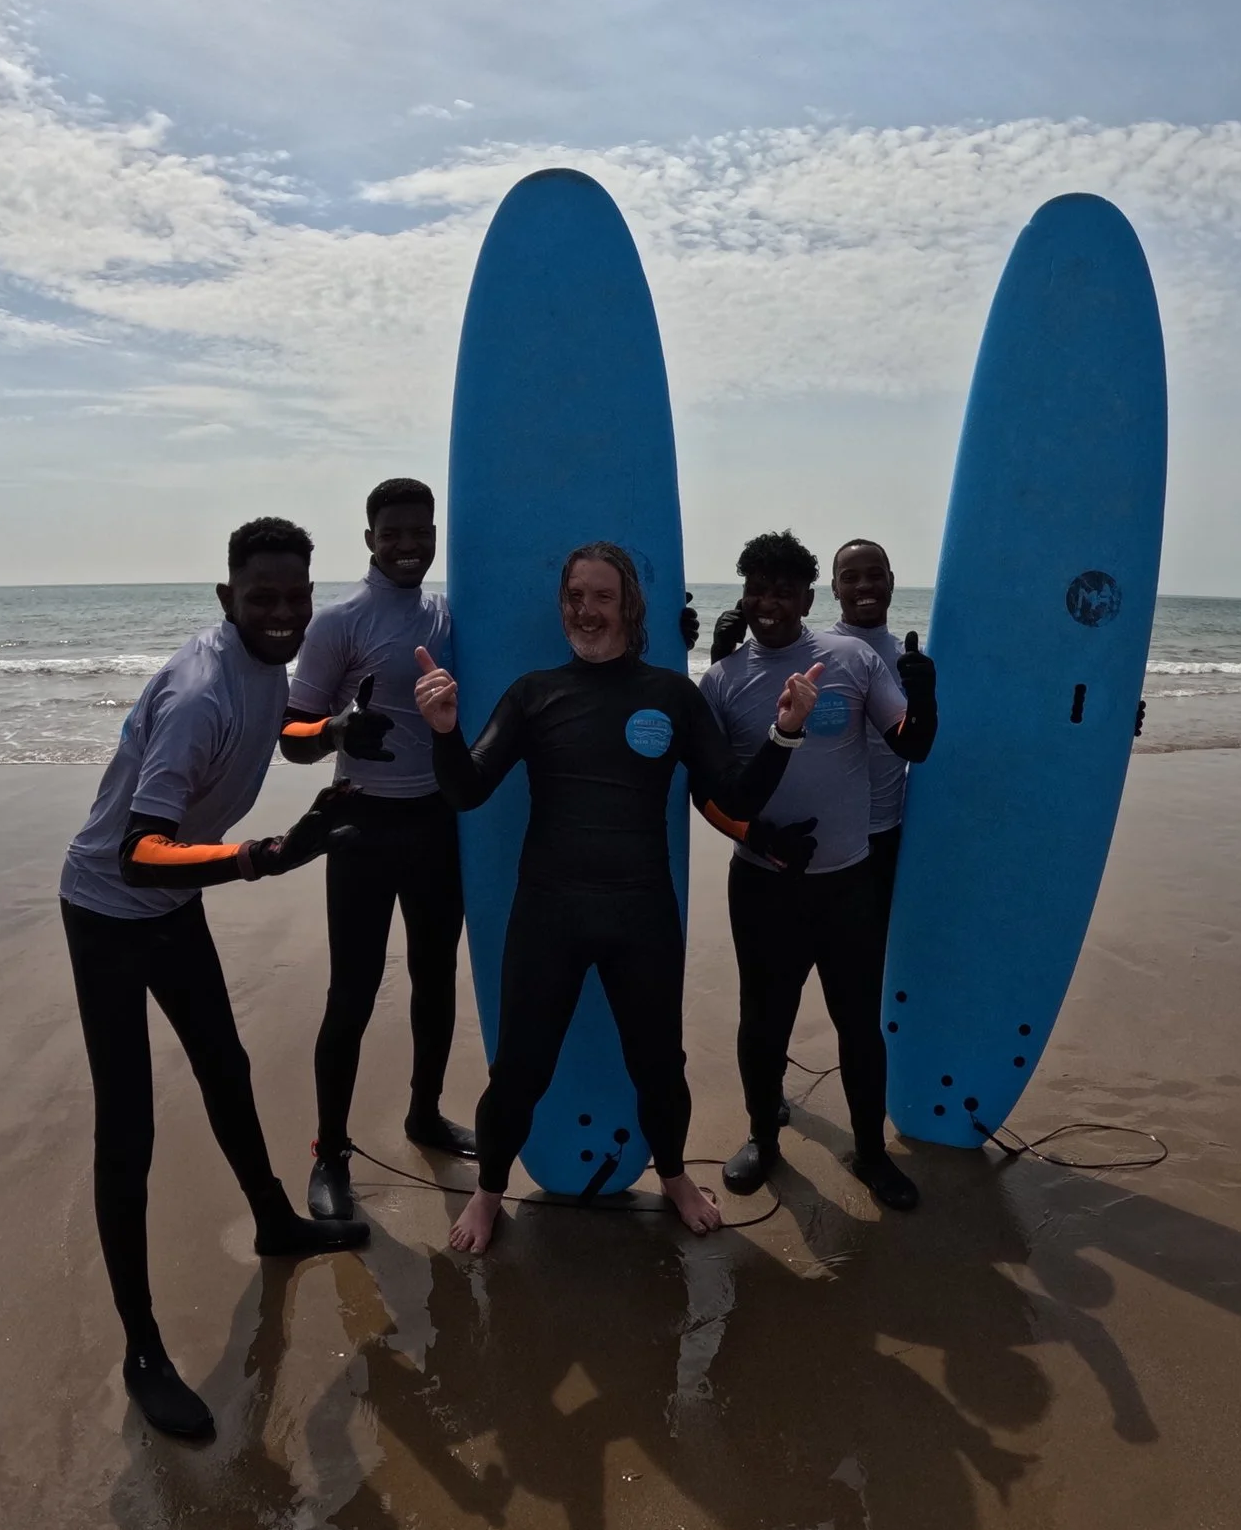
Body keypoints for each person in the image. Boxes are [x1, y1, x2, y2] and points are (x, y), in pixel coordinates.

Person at [58, 516, 373, 1443]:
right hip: (110, 911)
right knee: (131, 1128)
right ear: (226, 599)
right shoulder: (200, 693)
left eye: (296, 597)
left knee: (225, 1070)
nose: (282, 613)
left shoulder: (264, 663)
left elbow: (288, 729)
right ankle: (143, 1348)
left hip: (168, 909)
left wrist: (342, 728)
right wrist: (264, 854)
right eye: (262, 598)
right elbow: (142, 851)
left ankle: (275, 1221)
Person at [413, 541, 819, 1255]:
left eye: (601, 595)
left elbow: (735, 792)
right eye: (575, 595)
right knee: (519, 1067)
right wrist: (444, 731)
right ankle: (488, 1189)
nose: (585, 609)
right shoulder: (534, 693)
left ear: (629, 604)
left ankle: (673, 1175)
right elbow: (467, 789)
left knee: (660, 1064)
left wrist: (786, 731)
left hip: (641, 913)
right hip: (549, 910)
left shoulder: (670, 694)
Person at [701, 531, 937, 1211]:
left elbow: (912, 744)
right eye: (758, 588)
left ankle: (869, 1153)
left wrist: (926, 697)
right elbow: (708, 792)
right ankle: (762, 1140)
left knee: (860, 1022)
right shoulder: (721, 679)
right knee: (763, 1020)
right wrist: (757, 834)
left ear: (808, 598)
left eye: (784, 590)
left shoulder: (852, 657)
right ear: (743, 596)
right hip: (762, 884)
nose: (769, 601)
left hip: (847, 881)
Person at [282, 478, 477, 1221]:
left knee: (436, 978)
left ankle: (423, 1113)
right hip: (360, 827)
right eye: (392, 533)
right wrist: (335, 733)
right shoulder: (339, 624)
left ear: (434, 533)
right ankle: (330, 1150)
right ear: (369, 539)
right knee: (353, 994)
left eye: (419, 531)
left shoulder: (451, 615)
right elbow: (291, 735)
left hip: (436, 822)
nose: (407, 544)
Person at [826, 537, 934, 922]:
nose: (864, 586)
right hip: (826, 838)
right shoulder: (816, 653)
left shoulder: (914, 659)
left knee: (870, 969)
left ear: (891, 581)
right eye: (850, 577)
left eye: (874, 575)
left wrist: (1119, 718)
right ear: (834, 588)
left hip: (889, 833)